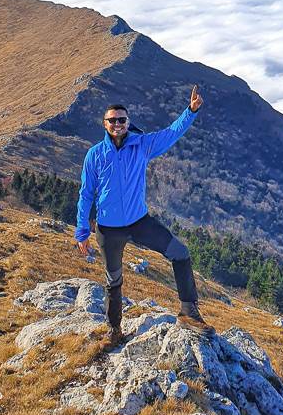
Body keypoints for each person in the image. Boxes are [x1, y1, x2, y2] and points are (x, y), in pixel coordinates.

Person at [75, 85, 212, 347]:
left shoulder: (142, 146)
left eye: (122, 120)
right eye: (112, 120)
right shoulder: (95, 155)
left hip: (140, 222)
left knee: (180, 253)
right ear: (104, 124)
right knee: (113, 281)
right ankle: (114, 330)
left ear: (128, 122)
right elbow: (86, 194)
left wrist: (191, 112)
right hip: (108, 229)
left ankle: (188, 313)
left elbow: (170, 134)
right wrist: (82, 231)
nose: (117, 124)